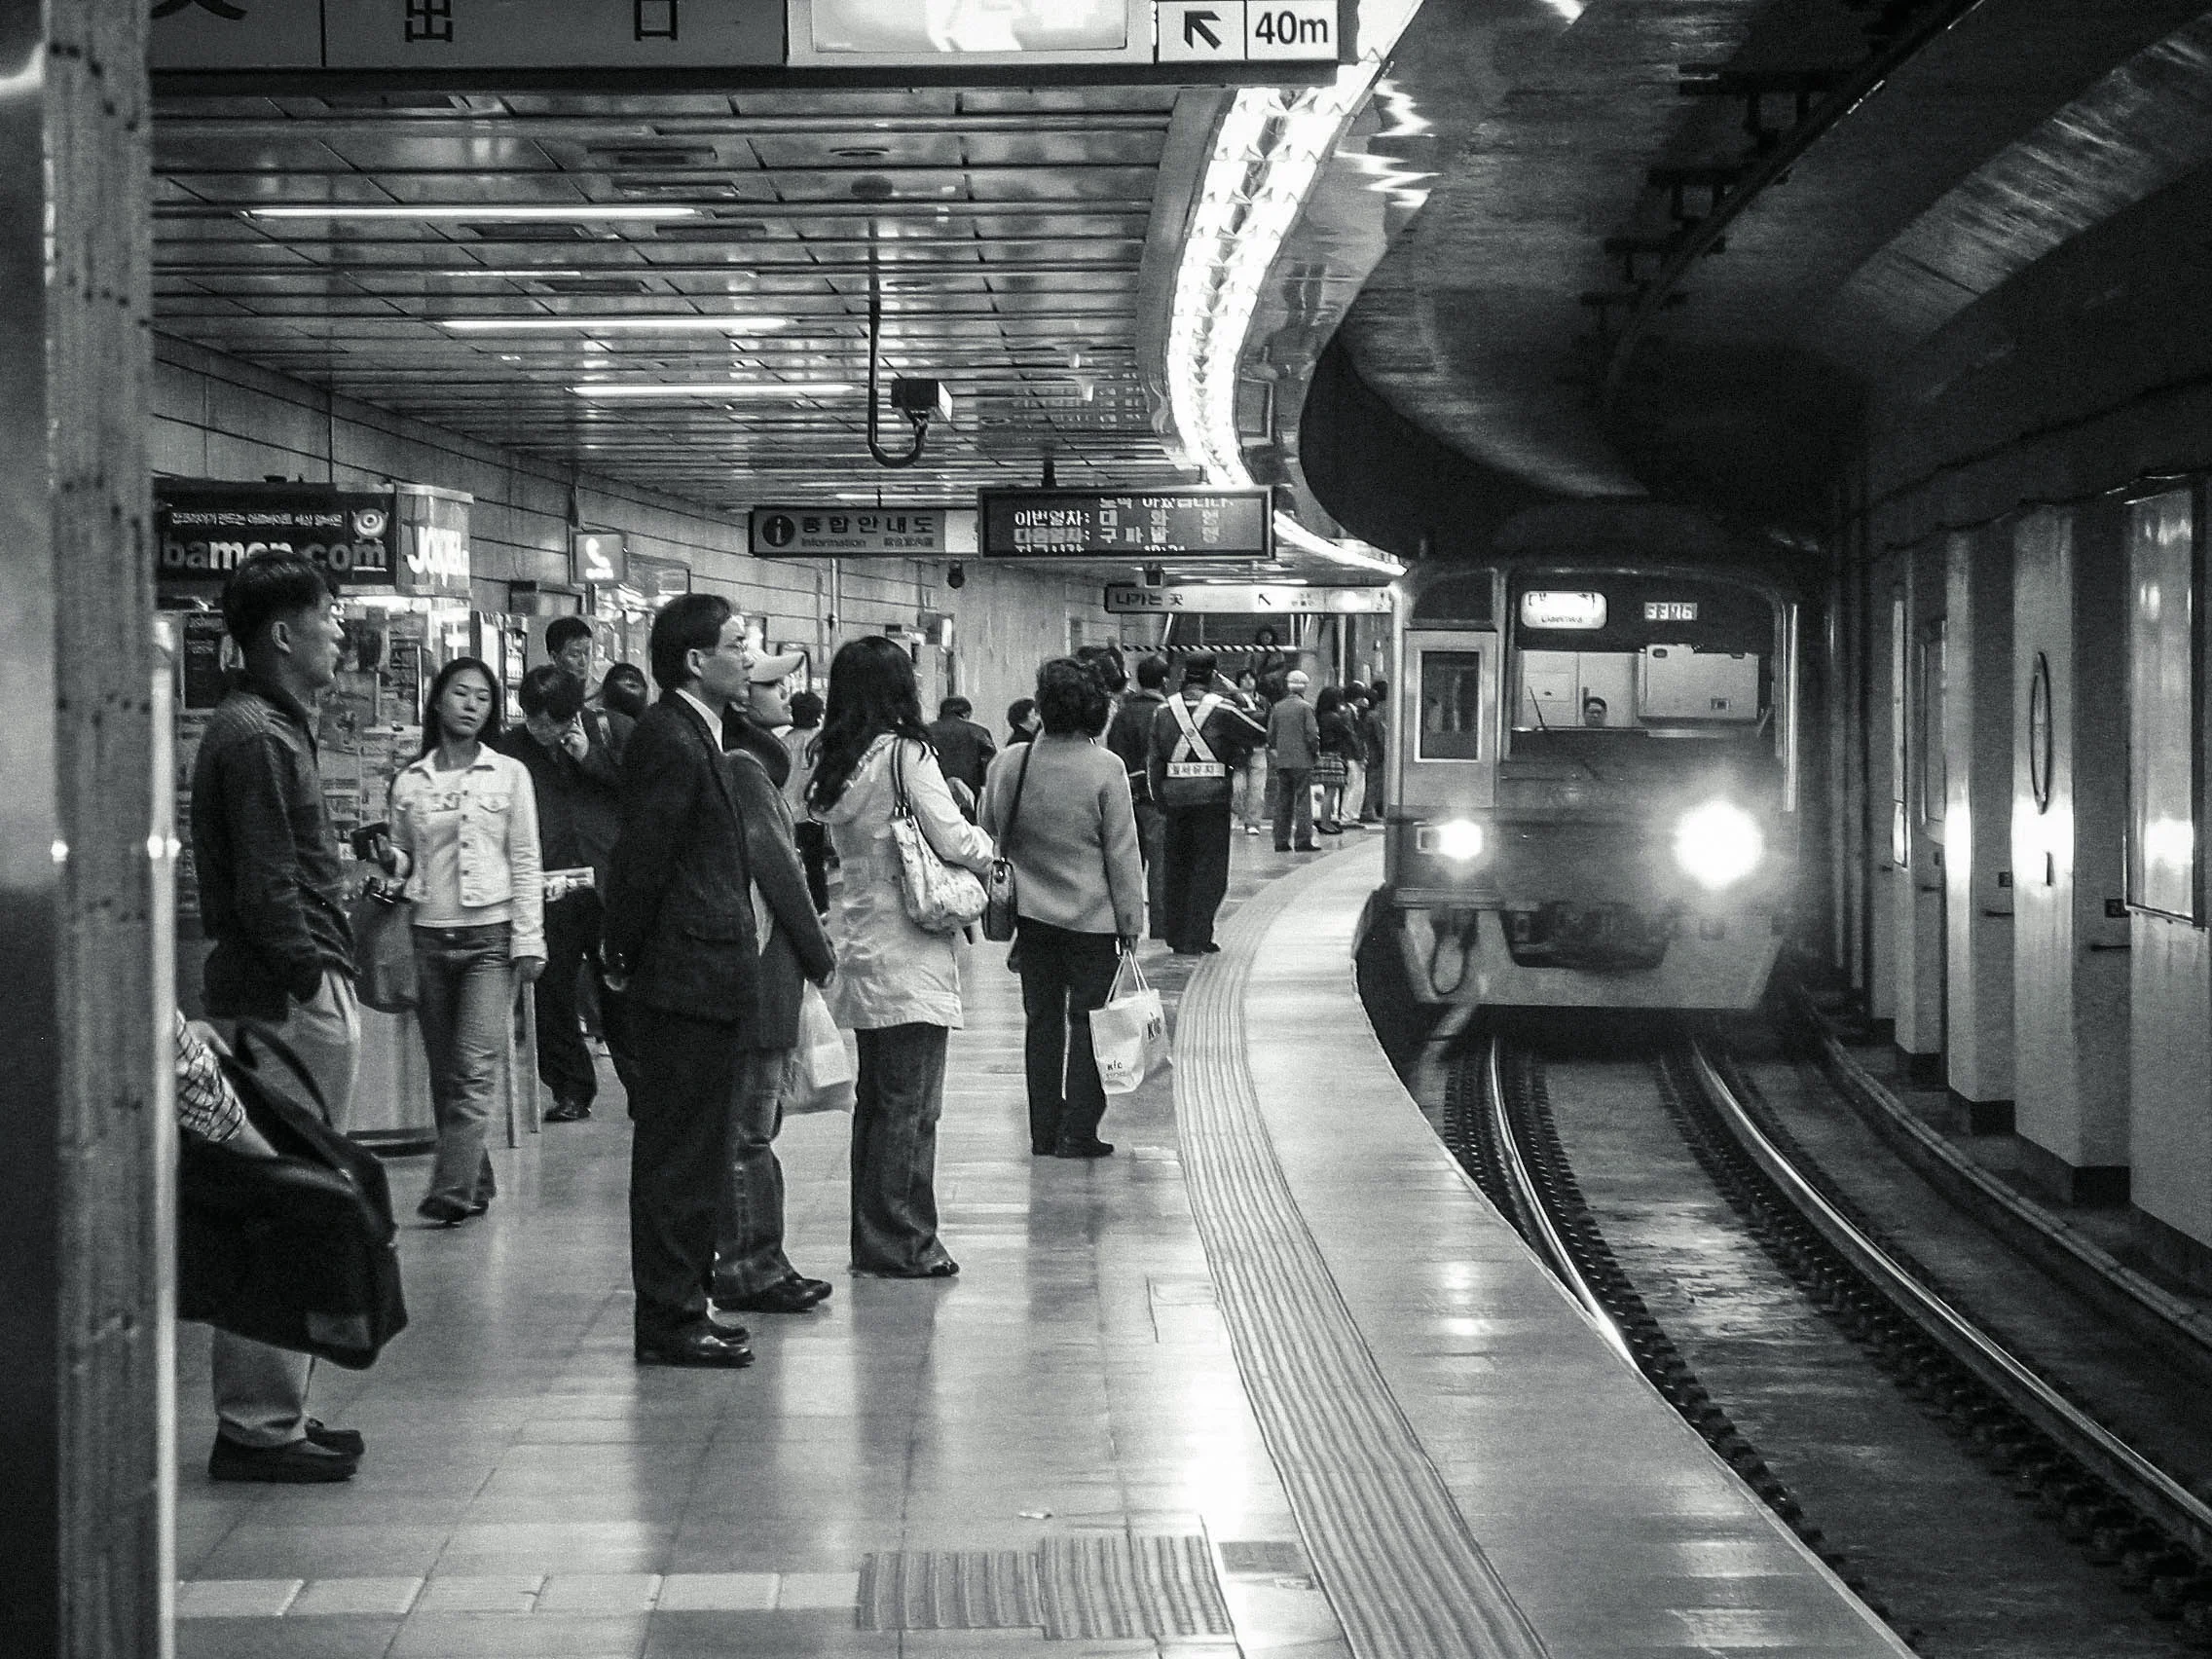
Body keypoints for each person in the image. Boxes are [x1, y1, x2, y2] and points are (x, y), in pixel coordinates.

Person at [191, 549, 364, 1483]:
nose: (340, 627)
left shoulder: (268, 726)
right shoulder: (257, 735)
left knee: (299, 1199)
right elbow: (266, 883)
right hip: (279, 1001)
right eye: (327, 614)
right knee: (280, 1204)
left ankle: (280, 1411)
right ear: (282, 635)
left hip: (281, 993)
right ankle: (257, 1424)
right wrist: (311, 979)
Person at [601, 593, 765, 1369]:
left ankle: (686, 1302)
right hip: (685, 976)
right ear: (697, 661)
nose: (749, 652)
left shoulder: (703, 731)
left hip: (709, 971)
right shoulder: (671, 738)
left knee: (699, 1151)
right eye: (738, 642)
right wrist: (623, 957)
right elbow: (644, 859)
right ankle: (667, 1316)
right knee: (678, 1153)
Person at [808, 637, 994, 1277]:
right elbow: (949, 833)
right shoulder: (905, 754)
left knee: (882, 1104)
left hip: (862, 938)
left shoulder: (839, 759)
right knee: (914, 1106)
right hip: (910, 943)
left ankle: (875, 1235)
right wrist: (985, 848)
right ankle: (906, 1240)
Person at [372, 659, 545, 1225]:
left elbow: (525, 859)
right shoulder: (409, 781)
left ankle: (448, 1188)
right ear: (438, 702)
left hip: (490, 941)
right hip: (427, 935)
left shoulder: (509, 774)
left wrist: (529, 939)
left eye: (483, 698)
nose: (472, 705)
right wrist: (388, 858)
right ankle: (476, 1176)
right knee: (446, 1073)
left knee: (473, 1069)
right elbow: (403, 860)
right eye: (460, 694)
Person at [713, 651, 840, 1316]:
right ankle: (749, 1265)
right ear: (737, 699)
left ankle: (758, 1258)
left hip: (759, 968)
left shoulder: (745, 765)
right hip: (759, 970)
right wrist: (819, 952)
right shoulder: (744, 769)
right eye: (769, 683)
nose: (785, 690)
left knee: (753, 1126)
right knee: (749, 1131)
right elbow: (778, 869)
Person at [981, 659, 1146, 1159]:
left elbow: (989, 824)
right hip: (1094, 921)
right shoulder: (1105, 767)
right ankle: (1080, 1132)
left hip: (1032, 919)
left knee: (1043, 1023)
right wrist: (1131, 920)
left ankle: (1042, 1131)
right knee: (1089, 1023)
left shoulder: (1011, 761)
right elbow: (1121, 851)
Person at [494, 665, 620, 1124]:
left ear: (574, 714)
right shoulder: (508, 750)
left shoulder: (609, 732)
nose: (542, 730)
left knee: (619, 989)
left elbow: (641, 793)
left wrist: (592, 759)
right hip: (547, 889)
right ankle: (570, 1088)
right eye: (534, 719)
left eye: (553, 721)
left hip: (607, 884)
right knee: (551, 994)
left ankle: (644, 1085)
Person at [1147, 651, 1266, 955]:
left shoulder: (1162, 710)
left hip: (1174, 799)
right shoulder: (1223, 708)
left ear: (1184, 675)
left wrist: (1160, 798)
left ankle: (1176, 935)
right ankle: (1198, 935)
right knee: (1208, 869)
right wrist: (1243, 697)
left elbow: (1155, 761)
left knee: (1176, 867)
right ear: (1213, 676)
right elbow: (1259, 732)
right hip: (1212, 798)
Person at [1104, 654, 1169, 941]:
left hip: (1124, 799)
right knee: (1160, 864)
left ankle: (1128, 928)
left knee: (1127, 866)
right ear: (1165, 681)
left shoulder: (1122, 714)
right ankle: (1160, 927)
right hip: (1156, 799)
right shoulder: (1166, 713)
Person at [783, 688, 830, 915]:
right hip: (813, 812)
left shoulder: (782, 743)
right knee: (815, 864)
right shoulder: (823, 742)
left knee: (791, 866)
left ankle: (797, 910)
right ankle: (820, 908)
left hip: (785, 812)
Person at [1268, 669, 1320, 853]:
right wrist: (1315, 753)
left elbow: (1270, 735)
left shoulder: (1278, 707)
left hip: (1282, 760)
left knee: (1283, 800)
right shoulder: (1305, 707)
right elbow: (1312, 734)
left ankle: (1280, 840)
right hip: (1303, 760)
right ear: (1303, 687)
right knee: (1303, 800)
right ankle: (1303, 839)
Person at [927, 694, 997, 801]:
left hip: (934, 792)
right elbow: (990, 767)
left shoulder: (925, 731)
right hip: (969, 794)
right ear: (966, 713)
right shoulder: (979, 732)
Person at [1314, 684, 1362, 835]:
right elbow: (1348, 735)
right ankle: (1326, 822)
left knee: (1326, 791)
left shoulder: (1318, 716)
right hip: (1333, 756)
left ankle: (1325, 821)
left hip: (1320, 754)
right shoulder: (1335, 718)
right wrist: (1358, 753)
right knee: (1331, 791)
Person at [1231, 668, 1269, 837]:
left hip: (1259, 748)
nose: (1248, 681)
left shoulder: (1263, 701)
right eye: (1244, 678)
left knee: (1257, 789)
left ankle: (1253, 822)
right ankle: (1235, 815)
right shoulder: (1232, 701)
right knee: (1238, 788)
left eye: (1251, 678)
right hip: (1238, 750)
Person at [1359, 681, 1389, 825]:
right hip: (1375, 754)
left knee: (1366, 782)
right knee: (1373, 782)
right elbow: (1379, 736)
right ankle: (1368, 810)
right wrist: (1385, 750)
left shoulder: (1364, 714)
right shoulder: (1374, 716)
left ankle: (1365, 809)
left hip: (1366, 751)